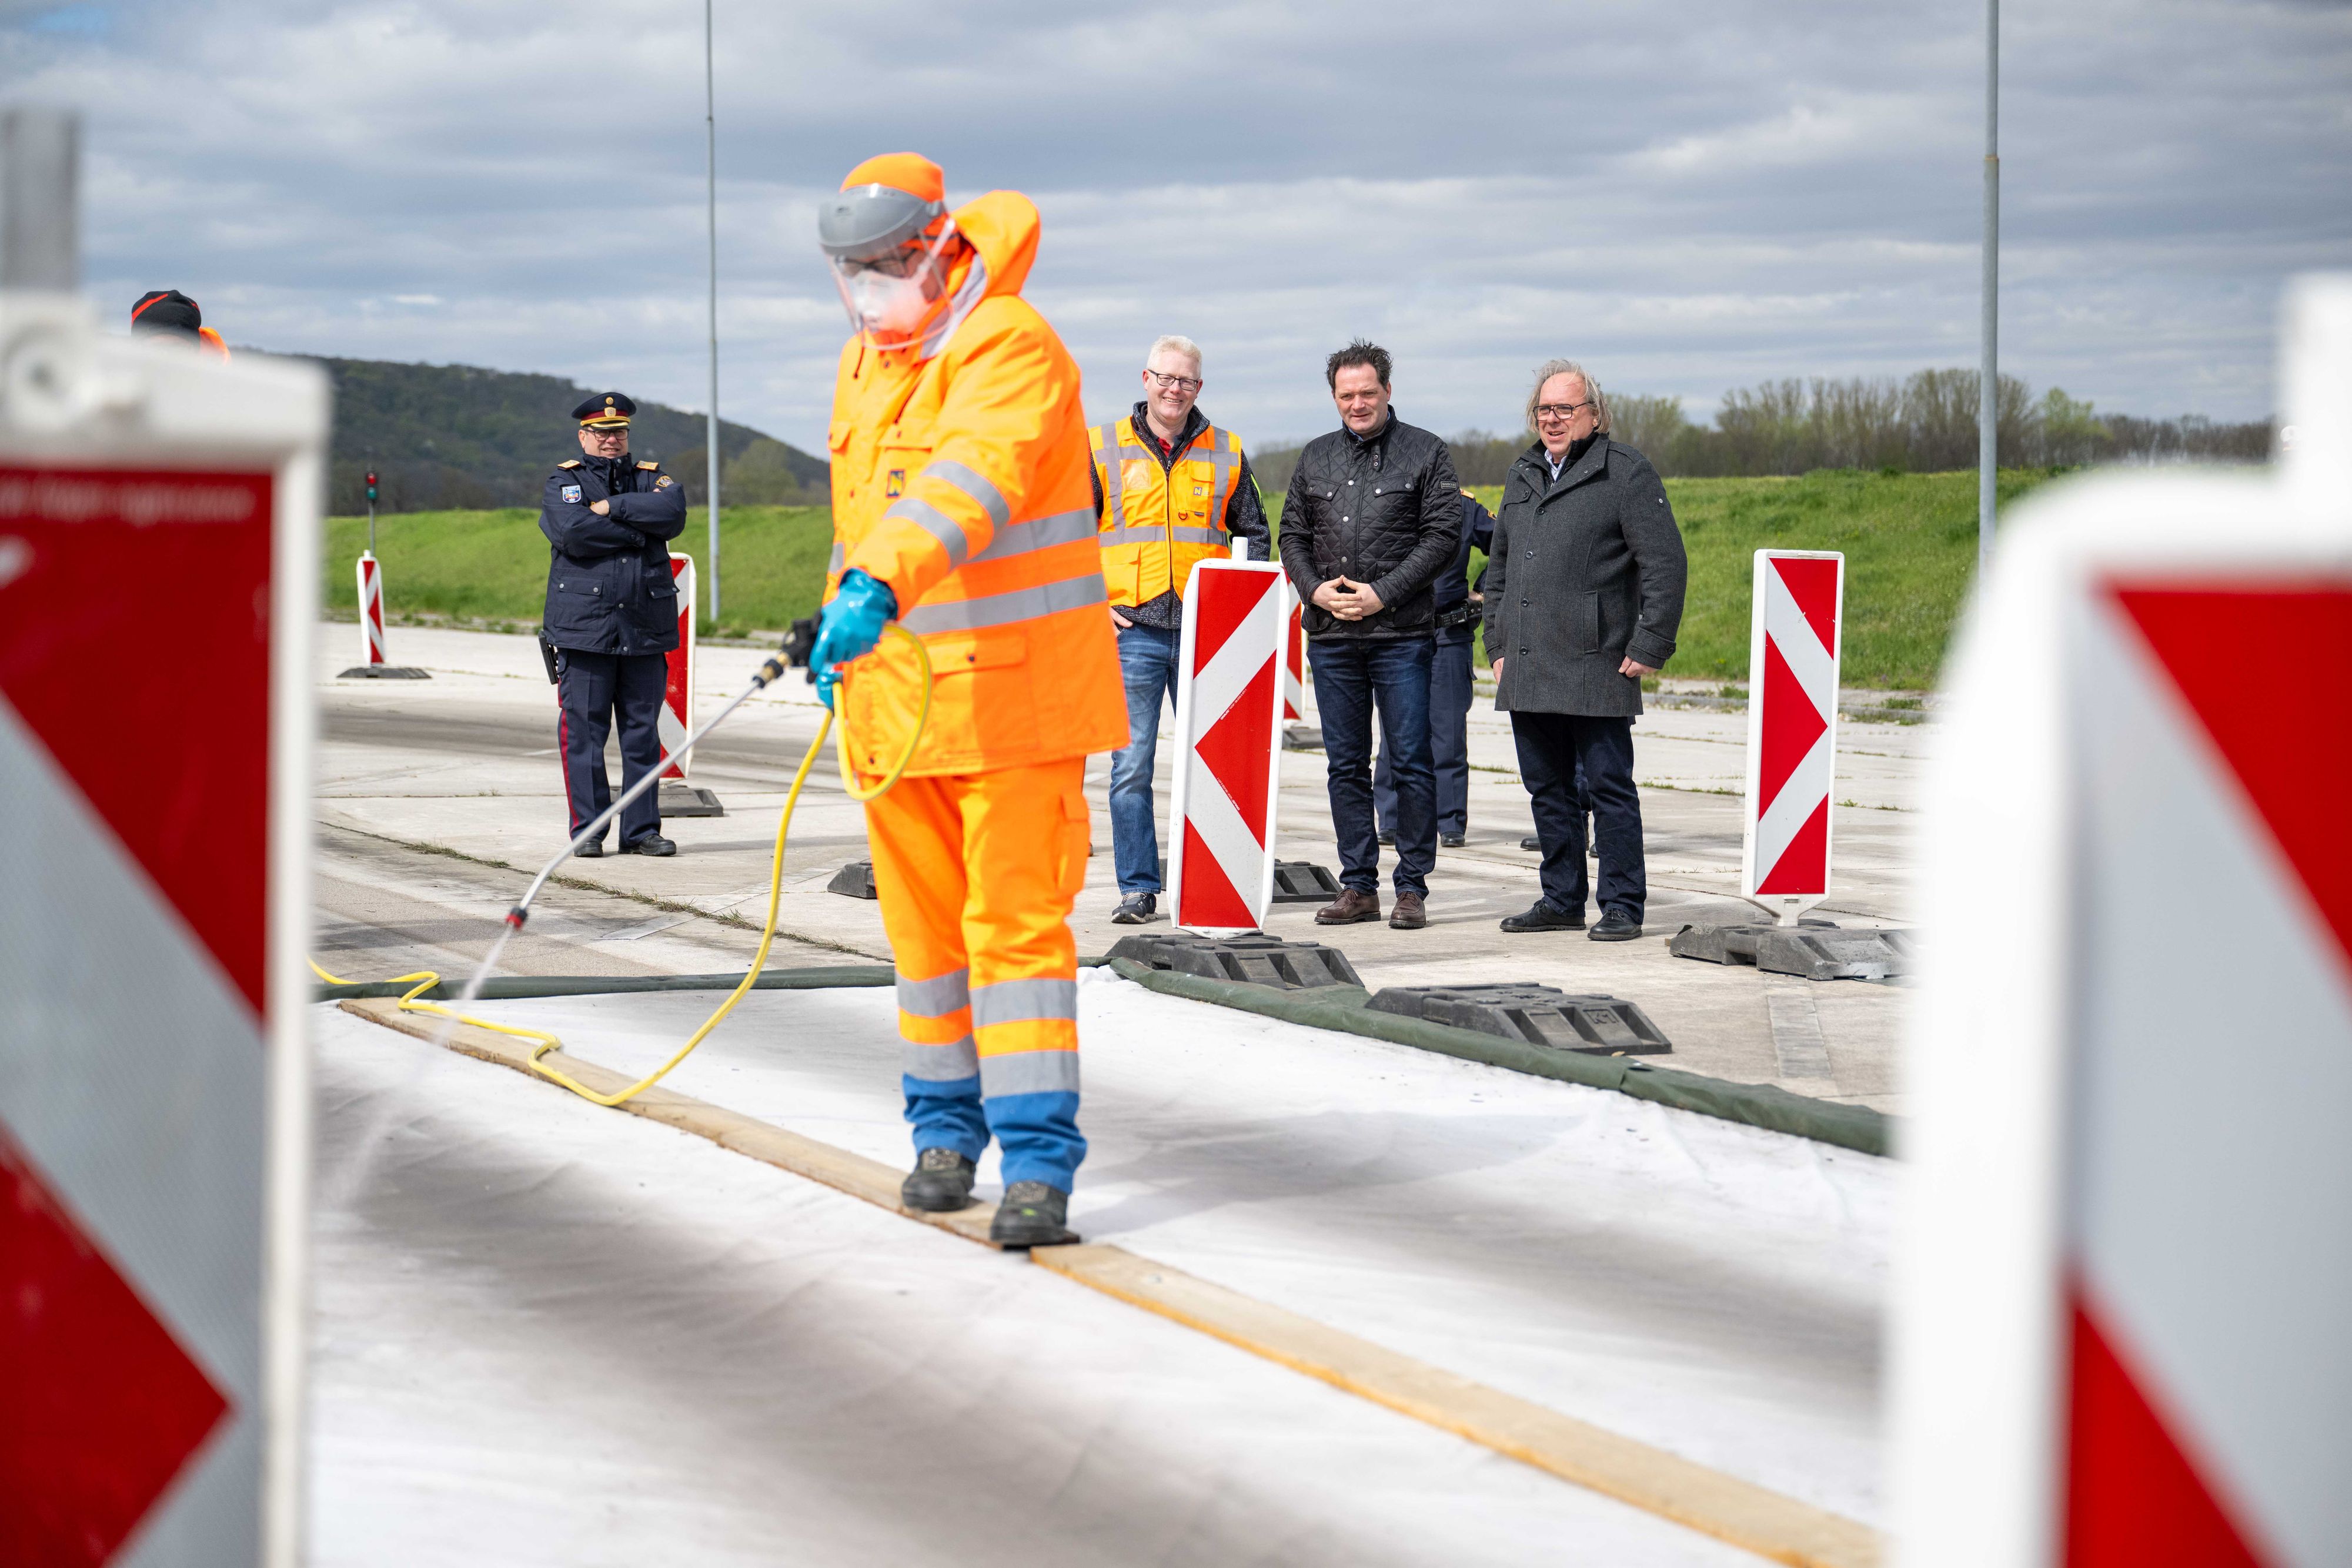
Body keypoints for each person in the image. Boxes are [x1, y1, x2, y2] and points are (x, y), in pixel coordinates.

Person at [808, 153, 1125, 1248]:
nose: (870, 292)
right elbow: (862, 519)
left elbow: (970, 481)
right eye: (853, 274)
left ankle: (1039, 1165)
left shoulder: (1008, 343)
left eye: (887, 267)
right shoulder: (863, 360)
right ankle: (943, 1136)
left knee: (1013, 936)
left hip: (1014, 707)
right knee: (925, 943)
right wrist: (842, 634)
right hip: (900, 712)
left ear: (940, 247)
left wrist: (877, 584)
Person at [1484, 360, 1687, 940]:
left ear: (1593, 416)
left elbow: (1665, 563)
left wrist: (1651, 641)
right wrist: (1495, 641)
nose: (1551, 419)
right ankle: (1561, 899)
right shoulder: (1521, 472)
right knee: (1547, 790)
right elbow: (1496, 569)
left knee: (1607, 789)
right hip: (1526, 662)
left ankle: (1621, 904)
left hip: (1598, 660)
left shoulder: (1623, 472)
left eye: (1564, 409)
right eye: (1543, 410)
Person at [1276, 339, 1461, 931]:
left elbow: (1441, 538)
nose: (1357, 404)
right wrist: (1313, 590)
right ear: (1334, 397)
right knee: (1345, 766)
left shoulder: (1427, 453)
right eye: (1346, 395)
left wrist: (1384, 593)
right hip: (1332, 638)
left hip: (1402, 635)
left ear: (1387, 391)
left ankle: (1411, 888)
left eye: (1367, 393)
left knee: (1409, 761)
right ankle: (1358, 886)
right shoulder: (1314, 458)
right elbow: (1291, 537)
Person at [1091, 334, 1272, 925]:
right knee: (1130, 766)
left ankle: (1208, 890)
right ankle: (1138, 889)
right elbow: (1062, 534)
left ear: (1199, 387)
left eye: (1186, 381)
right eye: (1165, 378)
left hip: (1207, 636)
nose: (1175, 389)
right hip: (1133, 629)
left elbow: (1255, 537)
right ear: (1144, 379)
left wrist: (1242, 618)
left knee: (1213, 767)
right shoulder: (1099, 449)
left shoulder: (1227, 451)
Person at [539, 391, 687, 858]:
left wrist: (611, 508)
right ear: (583, 436)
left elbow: (673, 514)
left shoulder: (651, 478)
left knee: (644, 734)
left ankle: (641, 831)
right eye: (601, 433)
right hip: (586, 629)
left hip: (644, 626)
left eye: (618, 432)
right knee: (585, 735)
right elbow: (573, 534)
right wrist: (639, 528)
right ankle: (590, 830)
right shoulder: (563, 482)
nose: (611, 440)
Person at [1374, 486, 1493, 848]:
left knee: (1448, 731)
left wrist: (1485, 589)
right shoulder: (1384, 500)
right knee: (1397, 730)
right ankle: (1392, 819)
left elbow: (1510, 544)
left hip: (1448, 634)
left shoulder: (1463, 507)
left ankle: (1450, 821)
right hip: (1397, 633)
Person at [130, 289, 230, 357]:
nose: (167, 358)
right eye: (157, 349)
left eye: (178, 349)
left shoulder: (223, 386)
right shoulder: (119, 384)